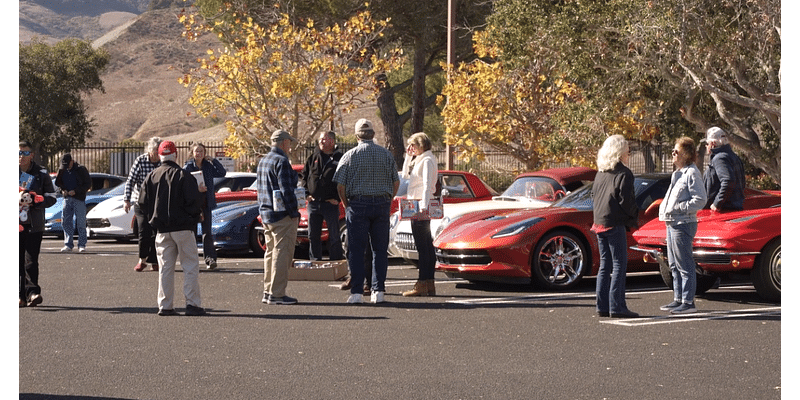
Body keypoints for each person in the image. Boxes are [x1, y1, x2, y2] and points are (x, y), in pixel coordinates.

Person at [333, 118, 400, 304]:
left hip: (358, 204)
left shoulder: (349, 155)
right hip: (381, 203)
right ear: (373, 134)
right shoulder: (386, 155)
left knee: (356, 249)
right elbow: (396, 182)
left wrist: (347, 204)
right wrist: (388, 198)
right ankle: (378, 290)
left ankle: (356, 291)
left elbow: (340, 185)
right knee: (379, 249)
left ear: (356, 136)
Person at [138, 141, 206, 316]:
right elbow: (192, 202)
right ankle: (192, 304)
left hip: (161, 230)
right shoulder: (184, 175)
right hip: (183, 228)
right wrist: (196, 208)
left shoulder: (152, 176)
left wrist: (153, 220)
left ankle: (165, 305)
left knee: (165, 268)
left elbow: (142, 203)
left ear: (160, 156)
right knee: (190, 266)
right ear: (175, 155)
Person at [591, 135, 639, 318]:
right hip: (615, 222)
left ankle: (602, 305)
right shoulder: (624, 174)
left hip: (599, 222)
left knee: (605, 265)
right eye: (627, 149)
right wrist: (633, 217)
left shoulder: (601, 173)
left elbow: (595, 196)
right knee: (619, 264)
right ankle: (617, 306)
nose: (629, 152)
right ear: (620, 152)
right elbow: (626, 201)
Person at [658, 137, 707, 314]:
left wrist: (680, 208)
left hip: (683, 223)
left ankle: (688, 302)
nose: (673, 154)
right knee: (673, 264)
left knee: (684, 263)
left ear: (685, 154)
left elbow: (700, 199)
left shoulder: (692, 173)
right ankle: (678, 298)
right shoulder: (678, 173)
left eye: (676, 151)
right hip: (672, 223)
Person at [257, 129, 301, 305]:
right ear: (284, 143)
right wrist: (293, 212)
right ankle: (277, 293)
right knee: (283, 254)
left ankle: (268, 291)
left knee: (270, 253)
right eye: (289, 143)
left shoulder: (263, 160)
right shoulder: (281, 161)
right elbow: (287, 191)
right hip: (282, 215)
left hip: (266, 213)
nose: (290, 146)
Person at [19, 140, 57, 307]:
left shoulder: (40, 173)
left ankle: (33, 293)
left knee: (31, 260)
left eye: (25, 153)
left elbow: (52, 197)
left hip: (34, 223)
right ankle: (19, 296)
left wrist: (36, 200)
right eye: (19, 153)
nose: (21, 157)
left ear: (32, 155)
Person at [400, 132, 438, 297]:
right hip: (416, 203)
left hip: (420, 204)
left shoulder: (428, 160)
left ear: (421, 144)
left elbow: (427, 185)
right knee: (424, 245)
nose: (411, 148)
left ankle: (423, 281)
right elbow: (406, 176)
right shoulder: (421, 159)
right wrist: (408, 157)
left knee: (423, 246)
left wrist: (423, 206)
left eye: (413, 145)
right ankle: (428, 282)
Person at [300, 130, 344, 261]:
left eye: (324, 139)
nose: (321, 141)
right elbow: (304, 177)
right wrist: (307, 194)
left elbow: (344, 180)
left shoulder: (339, 158)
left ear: (332, 141)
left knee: (334, 235)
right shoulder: (313, 157)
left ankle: (336, 262)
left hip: (331, 204)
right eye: (320, 139)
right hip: (314, 204)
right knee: (313, 235)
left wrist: (337, 198)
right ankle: (315, 262)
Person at [183, 142, 227, 269]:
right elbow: (183, 185)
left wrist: (213, 160)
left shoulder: (208, 166)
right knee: (191, 233)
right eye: (197, 151)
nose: (199, 153)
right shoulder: (188, 167)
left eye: (201, 151)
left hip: (206, 203)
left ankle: (210, 259)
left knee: (207, 232)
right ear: (192, 153)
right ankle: (191, 259)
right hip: (193, 205)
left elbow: (222, 173)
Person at [124, 136, 162, 272]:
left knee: (156, 232)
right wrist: (126, 200)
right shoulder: (140, 161)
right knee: (143, 231)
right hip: (141, 202)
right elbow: (130, 181)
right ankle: (142, 259)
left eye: (159, 151)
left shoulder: (163, 163)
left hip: (158, 203)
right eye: (155, 151)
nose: (157, 155)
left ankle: (155, 261)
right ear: (150, 151)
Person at [701, 126, 745, 212]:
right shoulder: (733, 156)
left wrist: (717, 203)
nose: (706, 146)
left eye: (707, 144)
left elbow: (728, 181)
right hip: (734, 209)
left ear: (712, 144)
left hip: (722, 211)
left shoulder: (719, 158)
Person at [55, 153, 92, 253]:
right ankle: (68, 244)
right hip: (67, 198)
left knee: (81, 222)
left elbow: (88, 184)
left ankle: (82, 245)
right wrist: (63, 190)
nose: (67, 167)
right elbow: (58, 183)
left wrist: (76, 191)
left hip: (79, 199)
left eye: (68, 164)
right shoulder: (62, 170)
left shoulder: (81, 170)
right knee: (66, 221)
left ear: (72, 161)